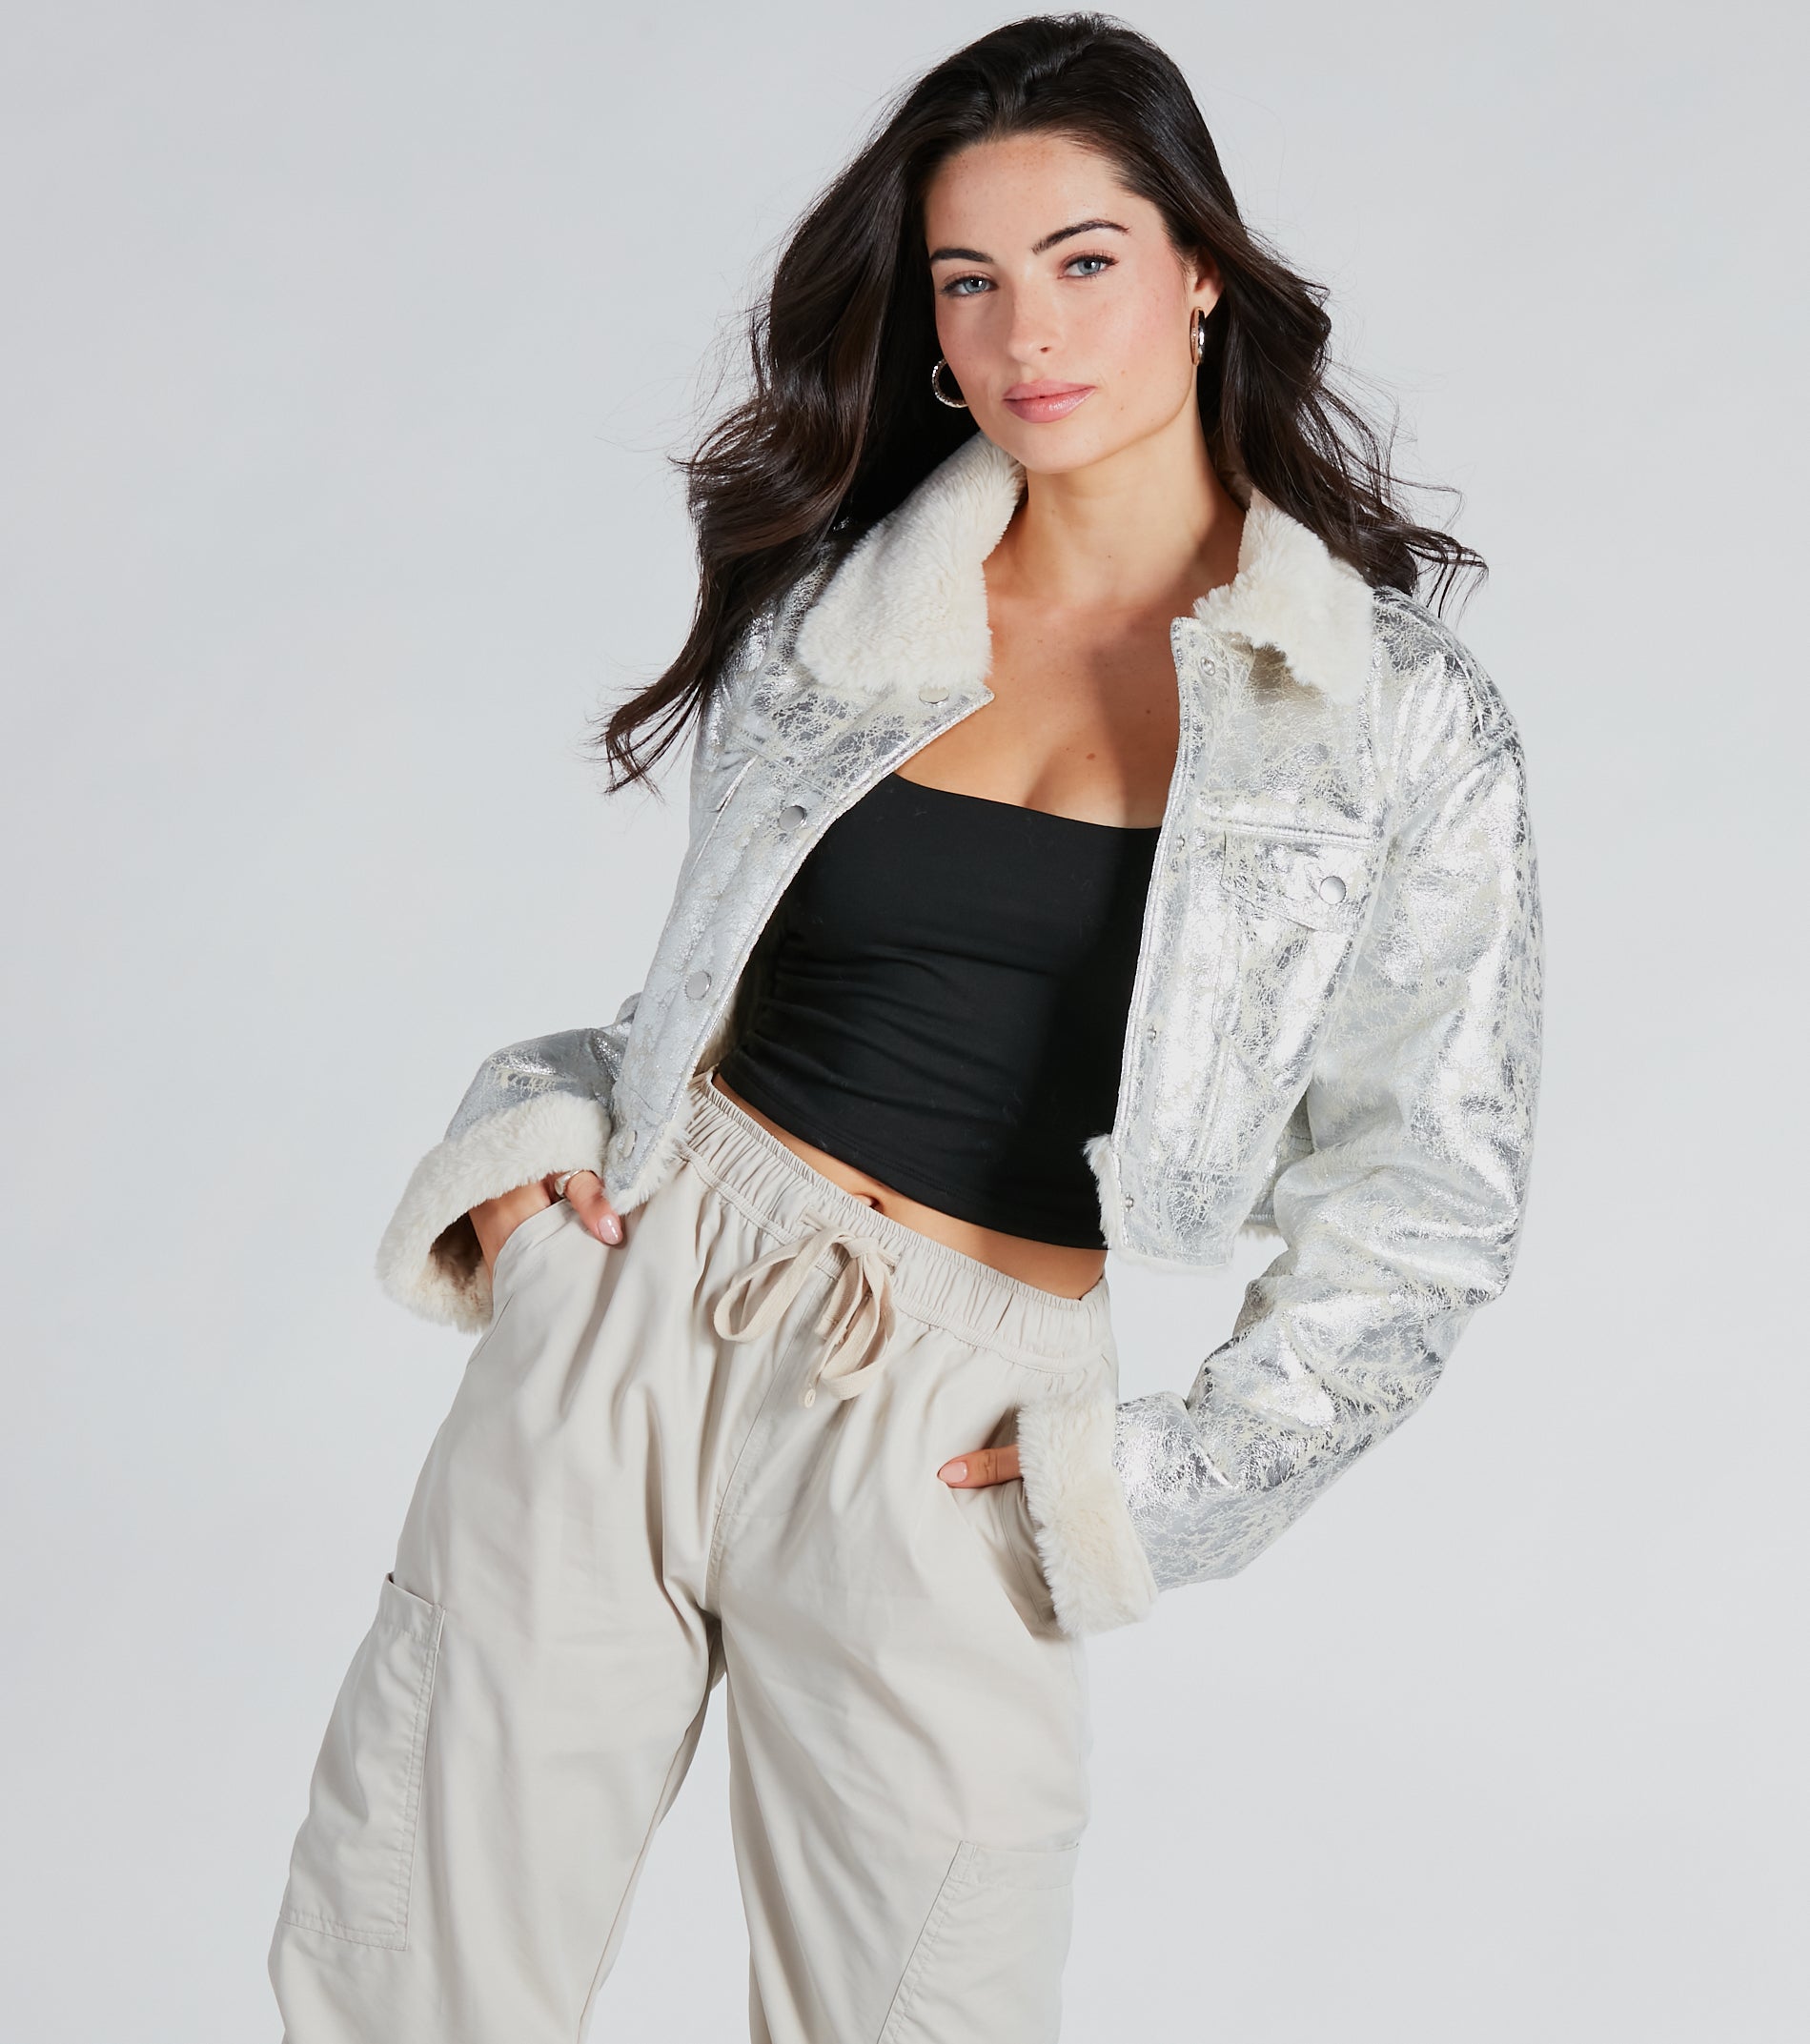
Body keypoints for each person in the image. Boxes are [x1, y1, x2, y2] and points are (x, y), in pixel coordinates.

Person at [268, 15, 1541, 2042]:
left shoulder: (1381, 714)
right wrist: (529, 1174)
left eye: (1084, 260)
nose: (1027, 331)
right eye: (970, 279)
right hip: (631, 1319)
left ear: (1200, 272)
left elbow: (1422, 1198)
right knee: (407, 1975)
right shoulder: (844, 605)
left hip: (955, 1415)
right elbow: (698, 994)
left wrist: (1147, 1476)